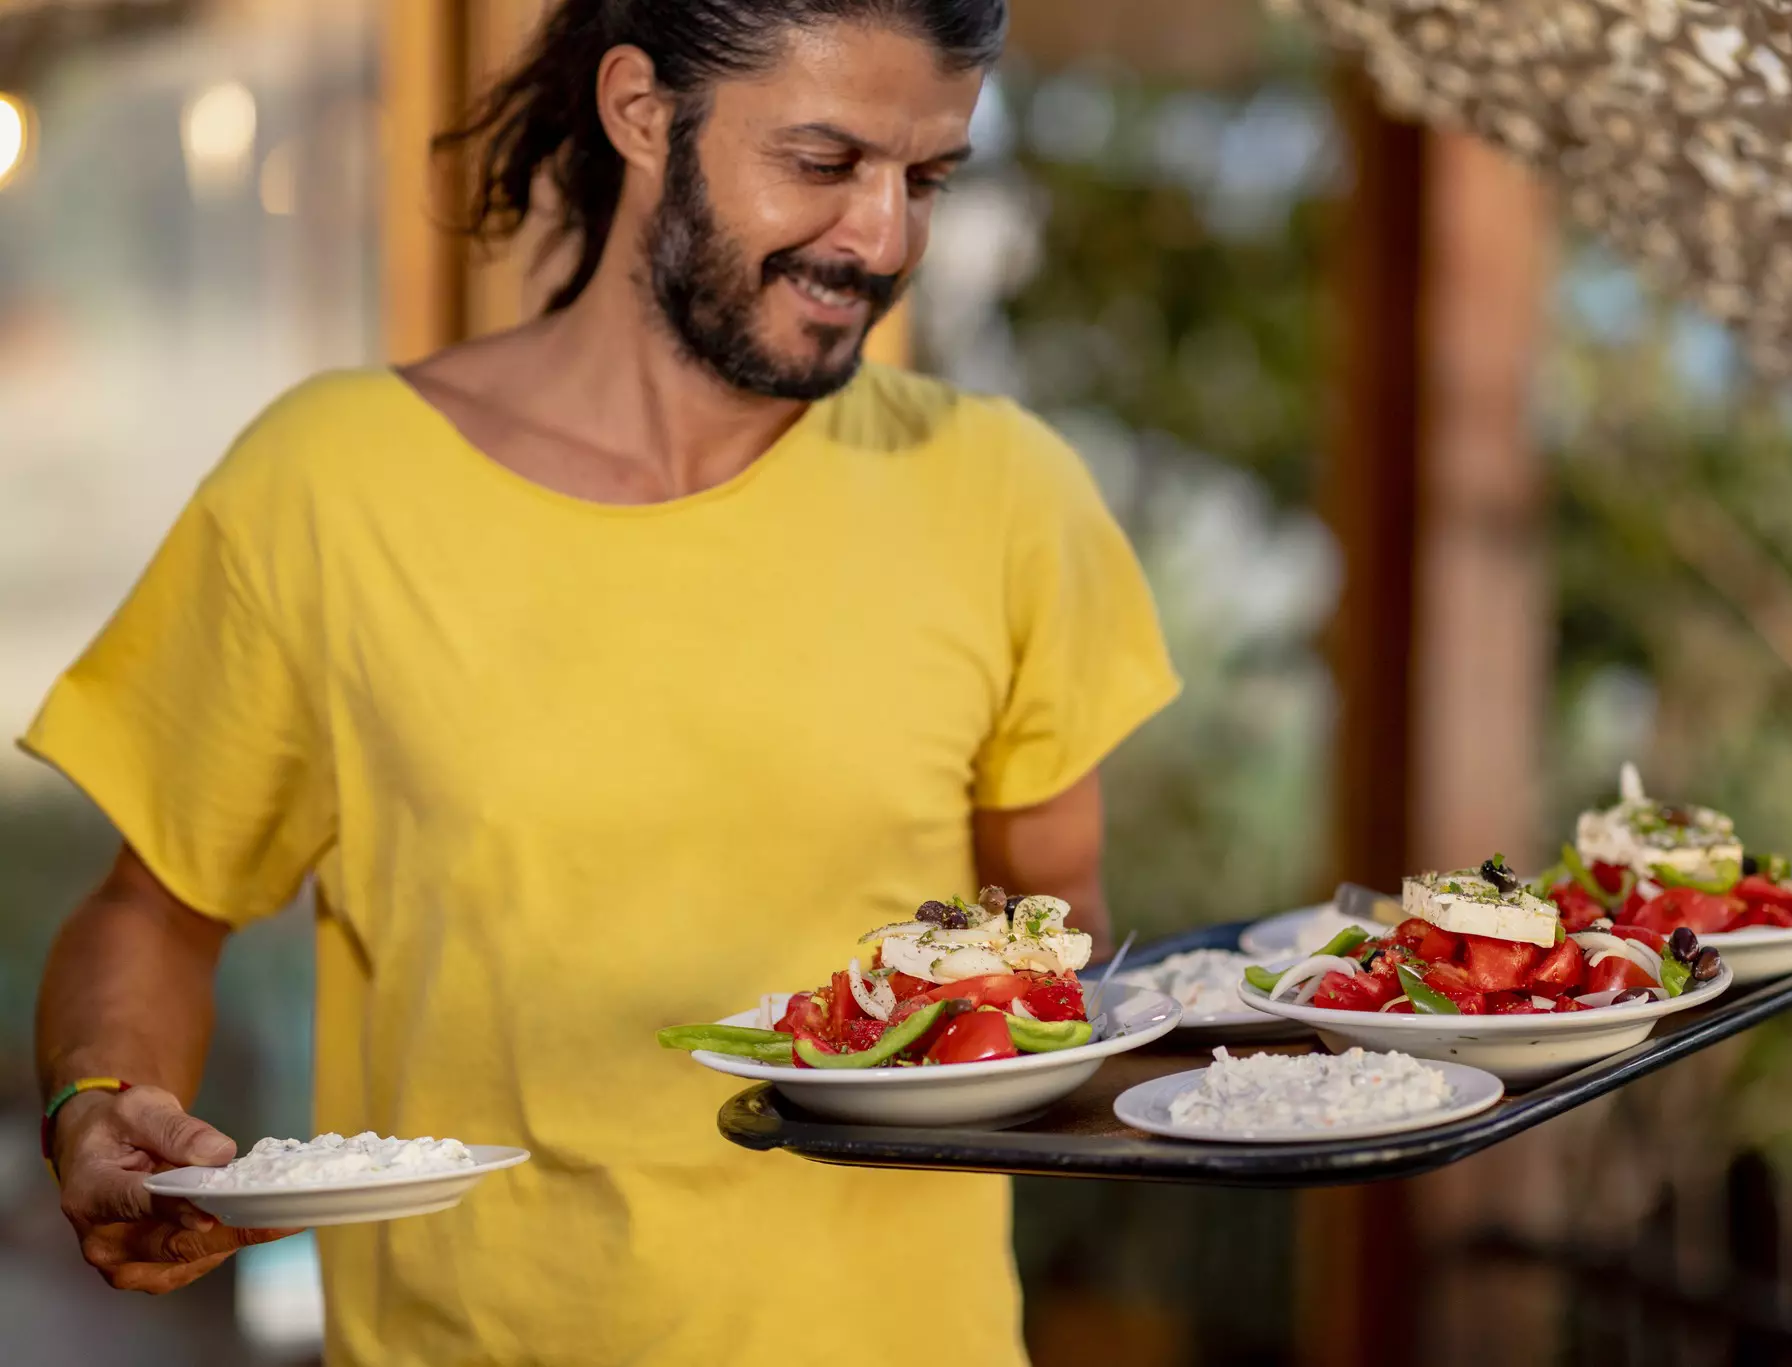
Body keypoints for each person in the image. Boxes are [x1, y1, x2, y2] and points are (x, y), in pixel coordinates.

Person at [25, 1, 1178, 1363]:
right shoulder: (328, 487)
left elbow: (1057, 959)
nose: (882, 239)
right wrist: (99, 1101)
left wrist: (1293, 1055)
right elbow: (153, 912)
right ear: (641, 112)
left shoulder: (1005, 498)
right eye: (822, 161)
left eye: (925, 178)